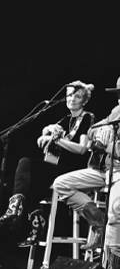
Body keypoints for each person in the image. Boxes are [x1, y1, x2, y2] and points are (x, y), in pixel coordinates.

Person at [50, 71, 120, 269]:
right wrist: (101, 131)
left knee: (116, 206)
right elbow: (94, 129)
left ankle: (111, 266)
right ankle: (98, 221)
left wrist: (109, 146)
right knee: (61, 184)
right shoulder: (117, 112)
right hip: (104, 170)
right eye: (118, 95)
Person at [5, 82, 97, 220]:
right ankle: (31, 222)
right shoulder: (66, 119)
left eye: (77, 96)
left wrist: (55, 140)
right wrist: (48, 129)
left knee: (27, 165)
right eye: (69, 95)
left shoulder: (87, 117)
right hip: (56, 165)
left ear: (84, 101)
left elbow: (82, 149)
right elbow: (43, 136)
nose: (72, 99)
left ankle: (16, 209)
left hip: (73, 168)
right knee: (31, 181)